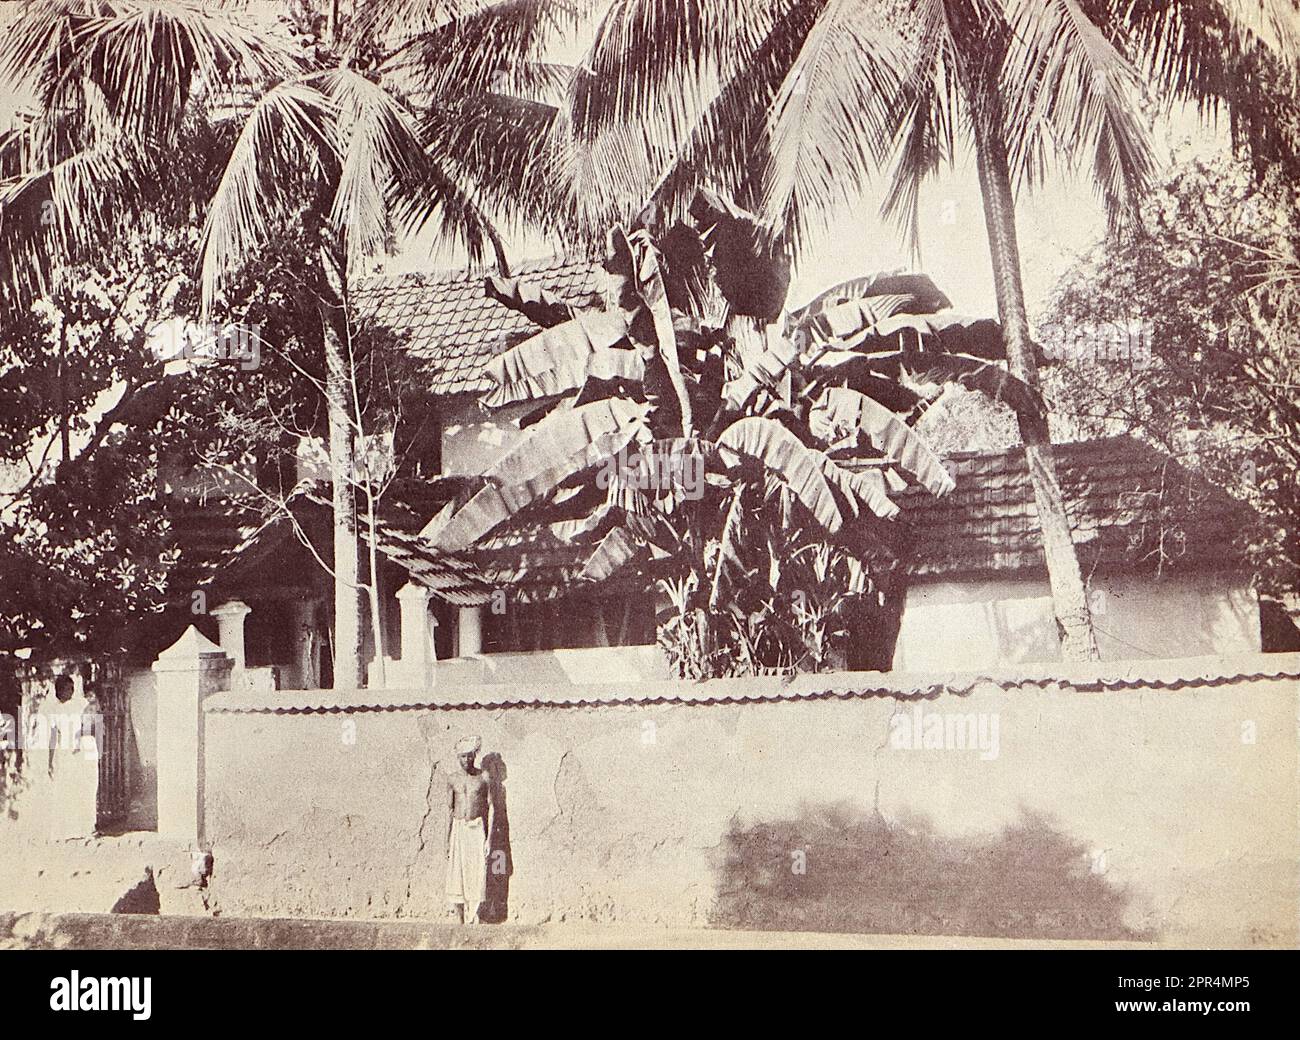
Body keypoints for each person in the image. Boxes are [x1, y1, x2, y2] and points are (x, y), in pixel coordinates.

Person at [445, 735, 492, 924]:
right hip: (458, 827)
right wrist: (447, 840)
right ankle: (460, 916)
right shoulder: (452, 779)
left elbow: (491, 807)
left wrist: (488, 838)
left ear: (475, 755)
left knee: (477, 870)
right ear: (458, 758)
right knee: (457, 873)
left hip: (477, 827)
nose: (466, 760)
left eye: (469, 756)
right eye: (463, 756)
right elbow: (449, 810)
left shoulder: (483, 777)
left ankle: (476, 914)